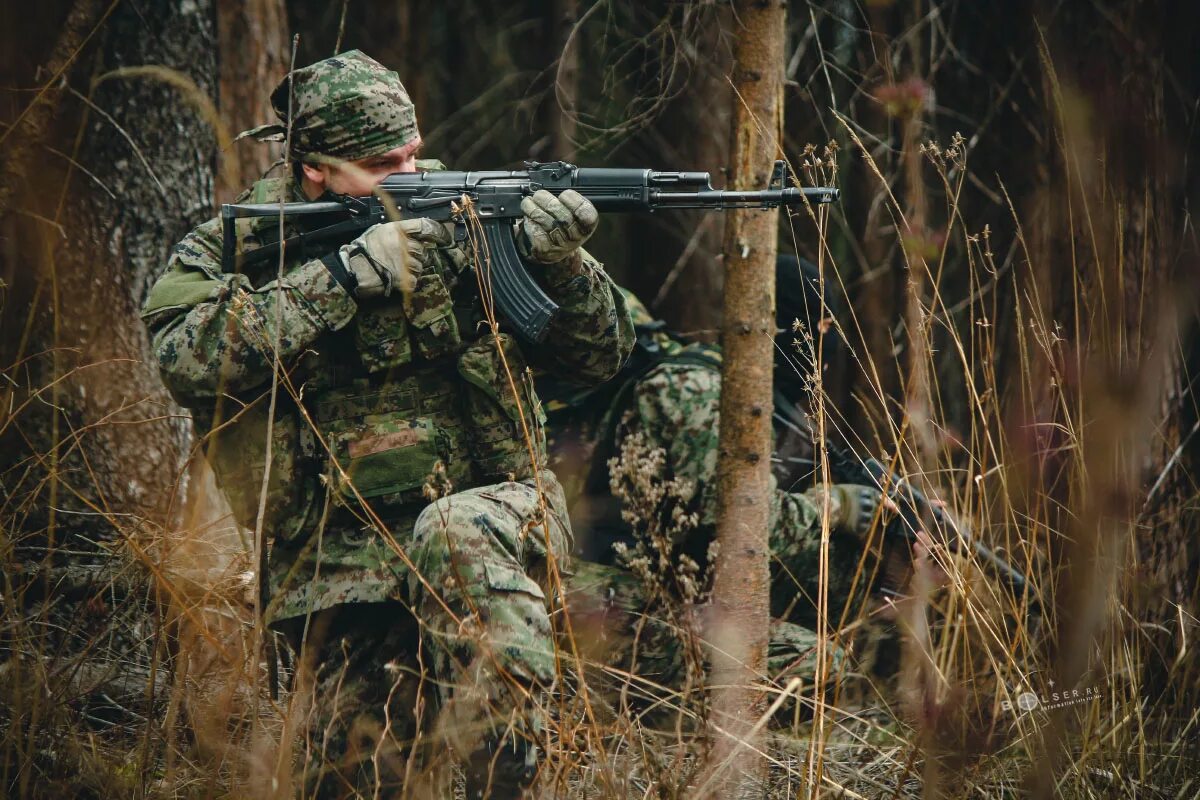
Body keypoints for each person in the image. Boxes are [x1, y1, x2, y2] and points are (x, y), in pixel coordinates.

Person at [140, 50, 634, 798]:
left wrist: (563, 266)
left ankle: (509, 781)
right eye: (381, 163)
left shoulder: (467, 214)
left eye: (411, 151)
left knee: (452, 532)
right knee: (356, 777)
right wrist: (333, 280)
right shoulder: (243, 241)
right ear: (314, 170)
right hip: (336, 570)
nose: (409, 172)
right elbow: (182, 355)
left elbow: (602, 356)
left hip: (495, 513)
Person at [542, 256, 902, 635]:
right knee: (815, 661)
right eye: (824, 326)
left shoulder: (749, 399)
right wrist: (839, 507)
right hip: (600, 585)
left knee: (865, 608)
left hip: (667, 579)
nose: (832, 343)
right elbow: (744, 525)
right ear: (779, 325)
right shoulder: (698, 392)